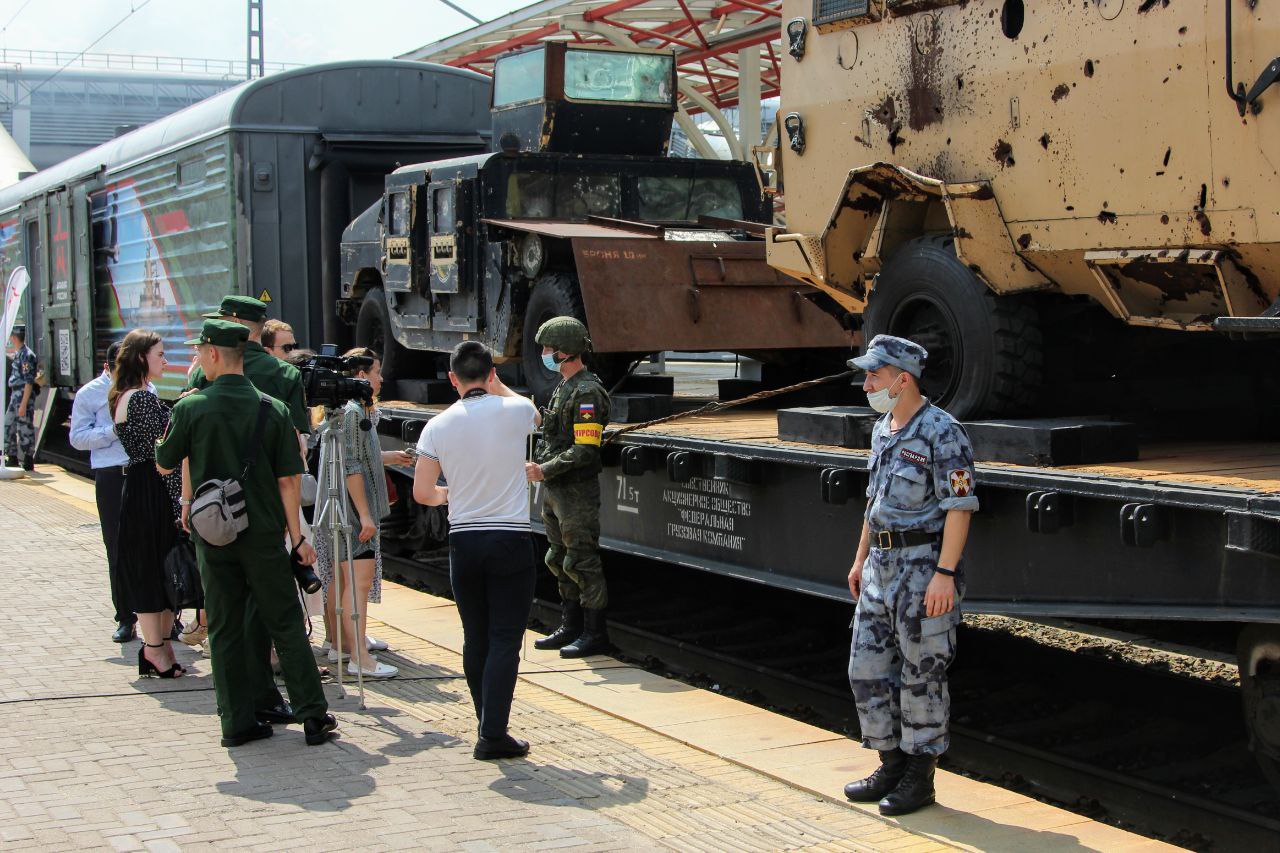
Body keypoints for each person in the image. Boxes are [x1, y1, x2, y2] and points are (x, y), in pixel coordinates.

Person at [156, 318, 337, 747]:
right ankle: (313, 716)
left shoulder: (190, 407)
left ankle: (235, 723)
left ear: (215, 354)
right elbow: (289, 482)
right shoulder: (271, 409)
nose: (198, 357)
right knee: (286, 623)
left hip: (213, 538)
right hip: (263, 536)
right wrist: (298, 539)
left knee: (223, 627)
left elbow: (164, 462)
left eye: (200, 350)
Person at [842, 334, 978, 816]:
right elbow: (873, 504)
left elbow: (959, 508)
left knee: (922, 675)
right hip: (879, 568)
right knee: (867, 670)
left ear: (903, 379)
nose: (866, 384)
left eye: (874, 375)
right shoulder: (882, 429)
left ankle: (920, 777)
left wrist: (945, 573)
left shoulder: (943, 432)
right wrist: (860, 559)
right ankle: (890, 764)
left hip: (922, 571)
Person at [413, 341, 540, 760]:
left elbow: (423, 492)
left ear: (452, 379)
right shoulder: (515, 411)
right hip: (510, 540)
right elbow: (535, 412)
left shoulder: (437, 426)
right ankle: (492, 735)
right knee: (506, 638)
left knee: (477, 638)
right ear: (490, 374)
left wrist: (453, 494)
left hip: (463, 542)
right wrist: (498, 385)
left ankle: (487, 724)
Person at [185, 295, 309, 722]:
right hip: (269, 512)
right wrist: (298, 536)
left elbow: (181, 453)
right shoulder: (283, 375)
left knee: (227, 618)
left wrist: (187, 503)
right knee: (276, 613)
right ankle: (288, 703)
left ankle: (241, 711)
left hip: (215, 515)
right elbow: (296, 456)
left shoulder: (201, 378)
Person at [313, 347, 411, 678]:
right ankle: (361, 659)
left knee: (343, 580)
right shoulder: (355, 412)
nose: (381, 378)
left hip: (340, 506)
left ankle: (345, 647)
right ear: (360, 376)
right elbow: (352, 466)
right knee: (358, 582)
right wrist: (366, 515)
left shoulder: (342, 412)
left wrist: (389, 457)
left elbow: (354, 457)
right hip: (354, 513)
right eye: (376, 371)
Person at [525, 316, 611, 658]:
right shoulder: (565, 386)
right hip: (557, 490)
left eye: (550, 349)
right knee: (558, 558)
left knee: (581, 561)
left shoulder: (587, 391)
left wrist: (544, 469)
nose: (545, 354)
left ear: (566, 351)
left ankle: (594, 632)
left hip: (575, 491)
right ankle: (571, 625)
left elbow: (585, 449)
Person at [110, 330, 185, 678]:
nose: (165, 361)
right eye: (160, 354)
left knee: (154, 566)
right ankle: (155, 650)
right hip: (152, 489)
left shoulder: (129, 396)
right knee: (156, 567)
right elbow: (163, 455)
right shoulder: (139, 398)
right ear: (141, 357)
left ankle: (160, 648)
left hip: (141, 487)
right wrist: (179, 501)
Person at [70, 341, 147, 642]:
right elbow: (77, 438)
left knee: (150, 546)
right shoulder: (89, 394)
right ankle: (125, 617)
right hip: (112, 476)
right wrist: (113, 432)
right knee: (116, 548)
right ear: (109, 366)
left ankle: (162, 614)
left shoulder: (145, 390)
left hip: (141, 473)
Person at [5, 324, 37, 470]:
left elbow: (29, 381)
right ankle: (11, 457)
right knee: (8, 424)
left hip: (23, 396)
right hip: (15, 395)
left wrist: (24, 404)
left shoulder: (27, 355)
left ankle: (28, 459)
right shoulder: (19, 353)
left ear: (14, 337)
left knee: (24, 427)